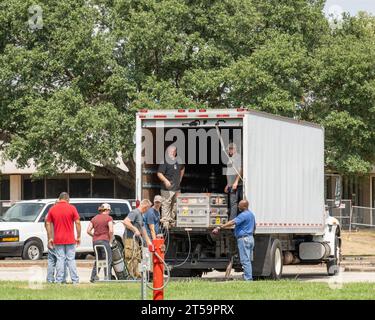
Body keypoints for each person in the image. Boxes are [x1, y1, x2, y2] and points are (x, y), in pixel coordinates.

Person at [212, 199, 256, 281]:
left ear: (244, 206)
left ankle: (248, 279)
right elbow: (254, 227)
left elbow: (232, 222)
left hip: (244, 239)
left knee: (245, 260)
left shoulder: (243, 215)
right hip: (250, 238)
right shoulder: (251, 215)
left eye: (240, 205)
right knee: (248, 260)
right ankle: (248, 277)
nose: (238, 206)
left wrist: (220, 227)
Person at [45, 192, 81, 284]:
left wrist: (50, 237)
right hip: (70, 238)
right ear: (67, 199)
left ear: (59, 198)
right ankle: (75, 280)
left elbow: (48, 223)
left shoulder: (52, 209)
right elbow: (77, 222)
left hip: (58, 239)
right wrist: (79, 236)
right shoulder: (72, 208)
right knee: (71, 259)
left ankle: (59, 280)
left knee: (60, 259)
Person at [122, 199, 152, 278]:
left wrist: (148, 241)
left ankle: (136, 275)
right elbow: (125, 221)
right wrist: (135, 229)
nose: (148, 210)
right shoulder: (134, 212)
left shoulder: (141, 215)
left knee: (136, 257)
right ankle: (130, 276)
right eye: (148, 208)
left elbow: (143, 228)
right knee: (130, 257)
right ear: (145, 207)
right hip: (129, 238)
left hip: (135, 240)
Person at [157, 145, 185, 227]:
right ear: (167, 152)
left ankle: (172, 222)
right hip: (167, 189)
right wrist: (165, 180)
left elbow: (183, 168)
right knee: (166, 205)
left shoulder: (178, 161)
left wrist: (180, 178)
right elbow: (159, 173)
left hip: (177, 189)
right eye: (170, 151)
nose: (172, 153)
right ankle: (166, 225)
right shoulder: (164, 161)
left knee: (175, 205)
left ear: (175, 152)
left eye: (174, 151)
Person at [87, 203, 114, 282]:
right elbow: (111, 230)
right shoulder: (109, 218)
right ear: (107, 210)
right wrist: (111, 240)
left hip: (95, 241)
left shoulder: (94, 218)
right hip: (105, 241)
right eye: (109, 210)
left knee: (98, 259)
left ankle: (93, 277)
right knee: (108, 259)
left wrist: (95, 236)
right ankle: (107, 277)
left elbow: (88, 231)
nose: (109, 212)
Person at [45, 210, 67, 284]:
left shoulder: (48, 215)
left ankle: (49, 279)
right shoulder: (59, 214)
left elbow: (47, 228)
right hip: (59, 241)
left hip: (50, 240)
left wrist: (49, 239)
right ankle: (61, 279)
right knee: (61, 260)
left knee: (51, 261)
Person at [224, 143, 243, 220]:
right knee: (233, 203)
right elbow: (229, 172)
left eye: (230, 149)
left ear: (234, 149)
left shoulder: (238, 157)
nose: (228, 151)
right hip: (231, 184)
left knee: (234, 203)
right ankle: (233, 221)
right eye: (228, 150)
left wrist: (236, 181)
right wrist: (228, 184)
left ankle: (233, 221)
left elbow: (241, 169)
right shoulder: (230, 159)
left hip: (237, 185)